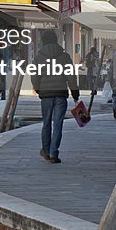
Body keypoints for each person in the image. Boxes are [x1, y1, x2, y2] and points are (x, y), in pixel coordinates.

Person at [31, 30, 79, 164]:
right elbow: (71, 77)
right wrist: (75, 93)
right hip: (60, 94)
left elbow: (34, 76)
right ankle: (53, 153)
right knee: (58, 124)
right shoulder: (64, 57)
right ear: (56, 40)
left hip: (46, 95)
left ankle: (46, 151)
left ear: (43, 40)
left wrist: (38, 89)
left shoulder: (39, 57)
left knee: (46, 123)